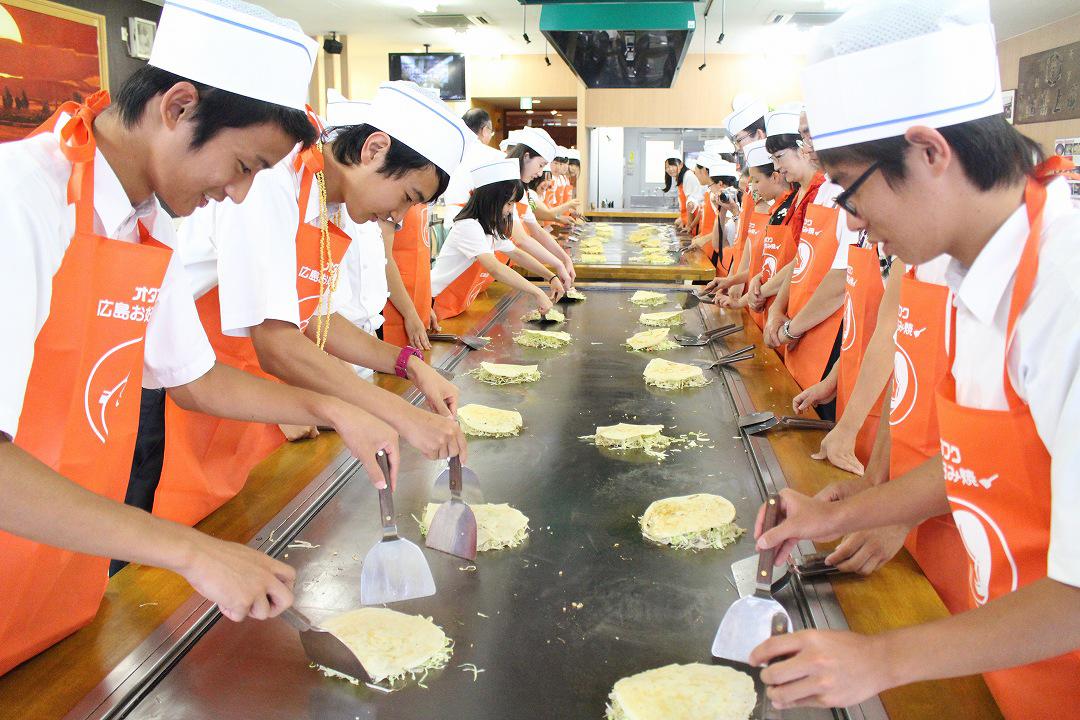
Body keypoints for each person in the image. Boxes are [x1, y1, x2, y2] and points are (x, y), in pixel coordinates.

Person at [0, 0, 400, 675]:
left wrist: (335, 410)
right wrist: (191, 552)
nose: (239, 195)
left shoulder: (146, 218)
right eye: (242, 165)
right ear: (179, 106)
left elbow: (196, 379)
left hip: (59, 589)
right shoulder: (20, 202)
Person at [750, 2, 1080, 716]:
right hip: (1010, 668)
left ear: (931, 151)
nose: (853, 221)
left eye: (852, 187)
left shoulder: (1067, 297)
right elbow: (979, 468)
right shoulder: (965, 266)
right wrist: (838, 516)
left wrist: (880, 658)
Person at [154, 80, 468, 528]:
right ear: (373, 149)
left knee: (245, 525)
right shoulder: (270, 181)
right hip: (181, 393)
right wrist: (401, 414)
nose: (398, 217)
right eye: (407, 198)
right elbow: (275, 341)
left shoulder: (326, 202)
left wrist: (410, 365)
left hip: (248, 397)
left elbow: (313, 318)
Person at [432, 159, 561, 318]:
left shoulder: (489, 227)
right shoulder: (468, 226)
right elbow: (495, 269)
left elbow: (517, 254)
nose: (510, 210)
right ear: (491, 199)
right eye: (508, 203)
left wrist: (551, 276)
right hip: (436, 302)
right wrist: (537, 292)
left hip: (456, 305)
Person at [710, 140, 793, 318]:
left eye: (756, 181)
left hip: (775, 307)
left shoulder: (788, 212)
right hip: (760, 303)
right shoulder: (774, 210)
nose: (752, 188)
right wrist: (730, 281)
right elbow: (760, 265)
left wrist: (741, 299)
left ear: (776, 177)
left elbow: (784, 270)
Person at [664, 156, 700, 231]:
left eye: (673, 165)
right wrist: (683, 220)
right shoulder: (682, 177)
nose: (670, 169)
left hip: (695, 222)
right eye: (667, 167)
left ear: (681, 165)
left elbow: (691, 205)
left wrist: (689, 226)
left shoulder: (688, 176)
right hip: (690, 221)